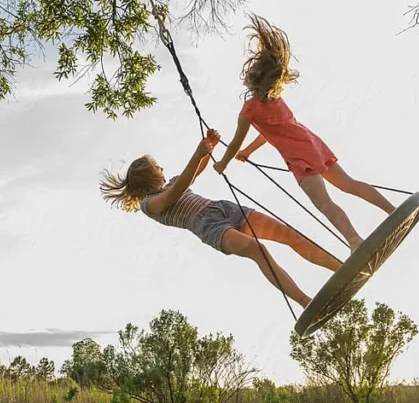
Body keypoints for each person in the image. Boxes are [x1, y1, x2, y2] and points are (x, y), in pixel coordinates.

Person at [100, 129, 341, 308]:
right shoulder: (148, 205)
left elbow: (191, 175)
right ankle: (304, 301)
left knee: (288, 234)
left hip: (223, 208)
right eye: (157, 168)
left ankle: (340, 268)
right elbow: (177, 190)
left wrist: (208, 147)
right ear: (149, 177)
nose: (162, 170)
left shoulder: (172, 181)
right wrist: (198, 153)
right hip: (207, 226)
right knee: (258, 250)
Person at [215, 15, 396, 252]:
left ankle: (354, 240)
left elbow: (234, 141)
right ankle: (393, 211)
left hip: (299, 157)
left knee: (324, 203)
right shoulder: (275, 100)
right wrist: (248, 151)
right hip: (312, 144)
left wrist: (222, 164)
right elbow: (271, 134)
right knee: (349, 184)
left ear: (250, 78)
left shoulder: (249, 109)